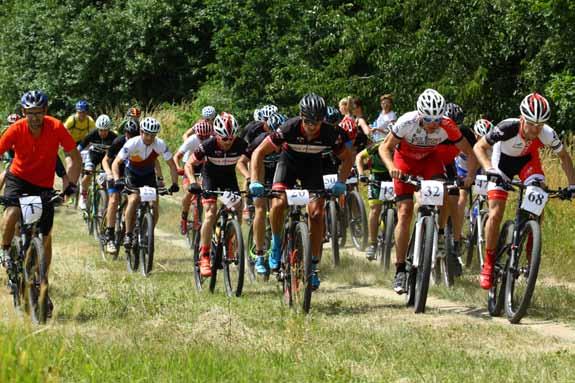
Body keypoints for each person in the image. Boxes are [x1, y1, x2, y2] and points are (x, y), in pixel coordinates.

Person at [250, 93, 354, 290]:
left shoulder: (330, 133)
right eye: (308, 121)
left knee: (316, 213)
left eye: (317, 121)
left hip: (313, 167)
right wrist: (255, 181)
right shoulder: (288, 128)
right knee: (279, 202)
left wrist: (341, 182)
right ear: (301, 116)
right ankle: (276, 242)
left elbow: (348, 158)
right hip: (288, 164)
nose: (312, 126)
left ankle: (313, 266)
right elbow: (258, 153)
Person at [378, 89, 477, 294]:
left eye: (437, 119)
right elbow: (384, 148)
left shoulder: (448, 125)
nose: (434, 124)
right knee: (404, 212)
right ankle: (400, 269)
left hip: (429, 161)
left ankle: (438, 233)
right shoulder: (406, 121)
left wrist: (470, 176)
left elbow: (469, 151)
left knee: (443, 192)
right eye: (429, 119)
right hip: (404, 162)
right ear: (420, 114)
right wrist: (391, 168)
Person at [473, 93, 575, 289]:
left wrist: (572, 186)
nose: (536, 129)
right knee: (495, 212)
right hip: (501, 164)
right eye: (531, 123)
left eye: (540, 124)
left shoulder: (546, 132)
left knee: (539, 199)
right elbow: (479, 147)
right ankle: (488, 264)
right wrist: (489, 170)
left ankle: (530, 251)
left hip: (527, 163)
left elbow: (564, 157)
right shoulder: (507, 127)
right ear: (522, 118)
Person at [0, 90, 81, 316]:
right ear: (24, 113)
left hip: (43, 185)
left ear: (45, 112)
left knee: (44, 236)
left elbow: (74, 157)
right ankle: (6, 250)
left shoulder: (56, 127)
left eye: (39, 113)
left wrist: (71, 184)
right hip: (18, 179)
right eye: (30, 113)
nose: (35, 117)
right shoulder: (16, 129)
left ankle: (41, 279)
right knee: (13, 212)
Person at [186, 112, 251, 277]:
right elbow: (189, 164)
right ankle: (205, 255)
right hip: (210, 179)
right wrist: (193, 181)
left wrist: (253, 178)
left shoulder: (241, 144)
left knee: (237, 207)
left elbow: (253, 160)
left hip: (229, 179)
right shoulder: (208, 145)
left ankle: (229, 241)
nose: (228, 142)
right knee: (210, 213)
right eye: (224, 139)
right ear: (216, 135)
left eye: (231, 138)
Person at [111, 117, 179, 249]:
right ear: (141, 132)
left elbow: (171, 165)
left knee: (154, 205)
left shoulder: (160, 144)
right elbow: (116, 163)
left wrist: (175, 183)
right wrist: (116, 179)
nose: (149, 138)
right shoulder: (132, 143)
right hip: (132, 174)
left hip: (148, 175)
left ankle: (147, 233)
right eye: (146, 134)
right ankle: (128, 234)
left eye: (152, 135)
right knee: (134, 199)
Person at [101, 119, 140, 254]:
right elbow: (105, 160)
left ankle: (129, 230)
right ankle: (109, 235)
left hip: (130, 175)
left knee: (134, 200)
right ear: (125, 133)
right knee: (114, 199)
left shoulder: (140, 143)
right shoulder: (118, 141)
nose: (131, 137)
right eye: (129, 134)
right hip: (114, 172)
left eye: (134, 134)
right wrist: (109, 174)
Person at [173, 119, 214, 235]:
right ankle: (184, 218)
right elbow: (177, 156)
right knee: (189, 192)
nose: (203, 140)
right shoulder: (191, 140)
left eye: (206, 137)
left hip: (203, 167)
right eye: (201, 137)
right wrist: (177, 168)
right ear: (197, 135)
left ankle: (200, 219)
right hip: (189, 166)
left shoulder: (211, 140)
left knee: (204, 190)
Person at [356, 138, 391, 260]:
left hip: (395, 176)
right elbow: (359, 157)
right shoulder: (378, 145)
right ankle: (373, 243)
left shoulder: (402, 146)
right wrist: (361, 175)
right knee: (375, 209)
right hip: (377, 176)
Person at [76, 114, 118, 210]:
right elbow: (80, 146)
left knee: (107, 178)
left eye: (105, 130)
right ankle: (83, 195)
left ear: (109, 129)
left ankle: (106, 197)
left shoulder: (114, 137)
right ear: (97, 128)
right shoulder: (92, 134)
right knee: (88, 174)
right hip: (93, 156)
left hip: (106, 159)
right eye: (101, 130)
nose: (103, 132)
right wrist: (74, 156)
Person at [64, 99, 95, 174]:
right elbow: (62, 131)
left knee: (81, 163)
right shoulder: (71, 120)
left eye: (83, 112)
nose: (81, 114)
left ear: (87, 112)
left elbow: (94, 134)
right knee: (70, 164)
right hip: (69, 143)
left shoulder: (90, 121)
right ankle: (67, 183)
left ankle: (83, 175)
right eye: (79, 112)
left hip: (81, 143)